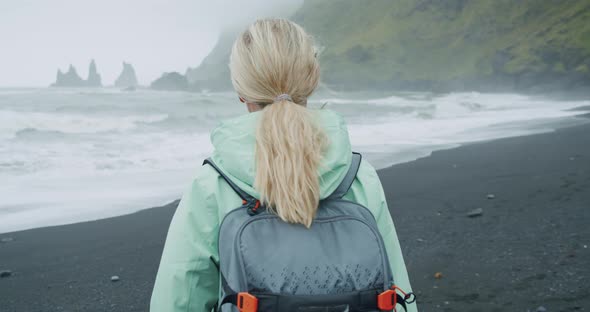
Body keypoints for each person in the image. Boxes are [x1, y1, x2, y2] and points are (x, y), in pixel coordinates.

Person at [150, 18, 416, 312]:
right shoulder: (357, 175)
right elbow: (398, 291)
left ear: (241, 91)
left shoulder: (213, 183)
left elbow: (180, 297)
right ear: (311, 79)